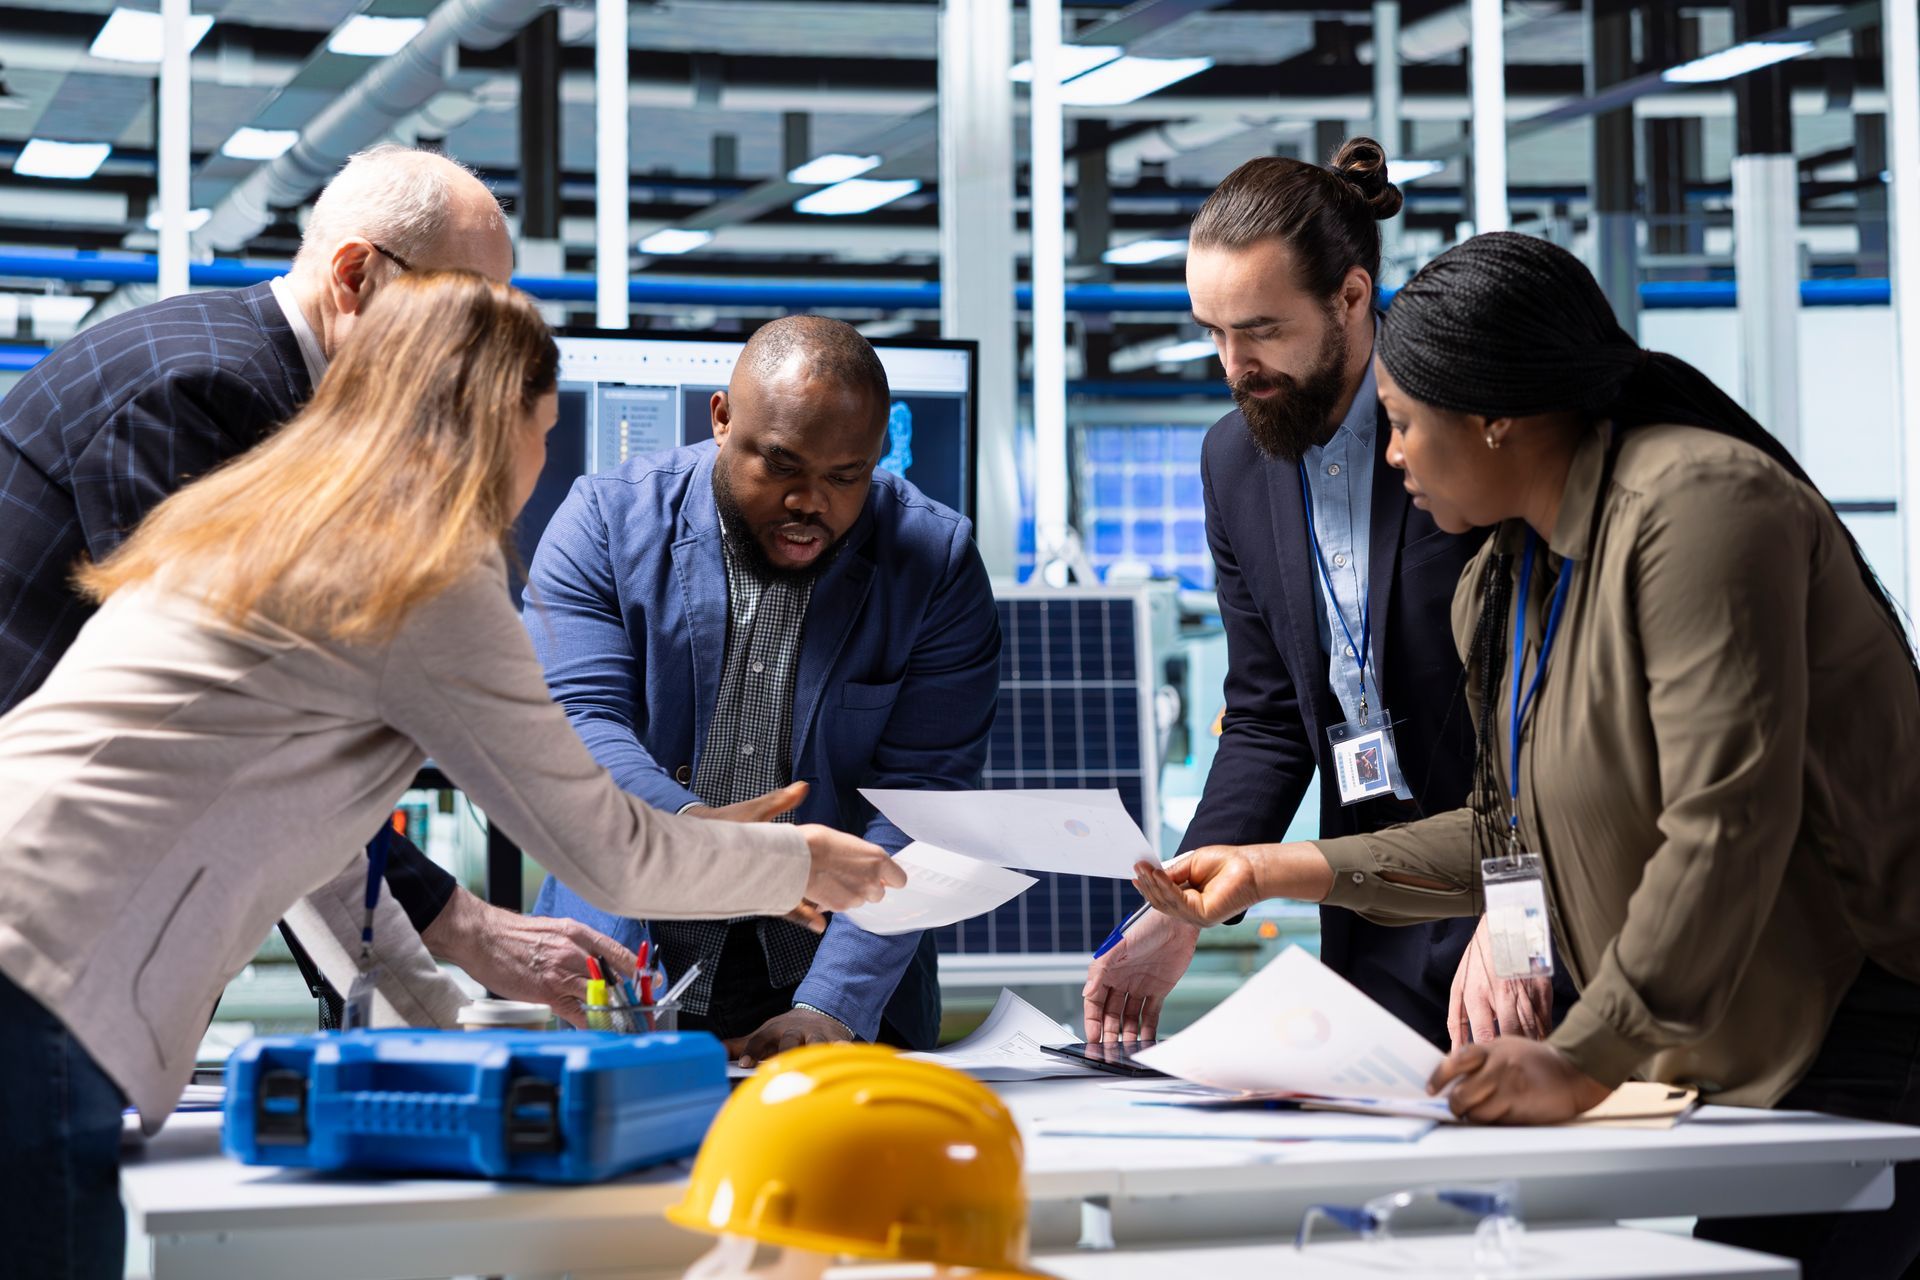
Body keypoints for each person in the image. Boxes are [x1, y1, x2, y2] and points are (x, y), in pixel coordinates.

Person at [0, 272, 904, 1280]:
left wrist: (433, 1007)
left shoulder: (259, 516)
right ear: (500, 423)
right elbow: (608, 847)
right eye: (543, 430)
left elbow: (302, 834)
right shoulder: (419, 569)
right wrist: (799, 861)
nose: (542, 462)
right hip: (39, 975)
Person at [1129, 232, 1920, 1280]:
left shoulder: (1698, 508)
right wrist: (1283, 868)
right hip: (1740, 1043)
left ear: (1495, 417)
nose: (1393, 455)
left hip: (1869, 1019)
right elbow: (1513, 837)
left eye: (1405, 424)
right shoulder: (1504, 580)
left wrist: (1579, 1058)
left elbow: (1725, 821)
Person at [0, 143, 638, 1026]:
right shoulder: (206, 395)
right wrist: (461, 939)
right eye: (456, 314)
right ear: (354, 276)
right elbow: (240, 751)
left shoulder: (292, 414)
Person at [1082, 140, 1572, 1049]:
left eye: (1261, 330)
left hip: (1523, 888)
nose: (1233, 365)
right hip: (1362, 890)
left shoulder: (1461, 428)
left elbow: (1550, 718)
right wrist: (1183, 906)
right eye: (1213, 332)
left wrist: (1516, 910)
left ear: (1351, 297)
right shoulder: (1234, 459)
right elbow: (1270, 714)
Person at [525, 315, 1000, 1064]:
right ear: (721, 419)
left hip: (838, 971)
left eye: (846, 476)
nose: (810, 502)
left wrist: (830, 1007)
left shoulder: (933, 563)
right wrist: (709, 841)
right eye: (781, 465)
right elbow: (575, 730)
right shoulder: (605, 522)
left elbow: (922, 800)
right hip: (629, 955)